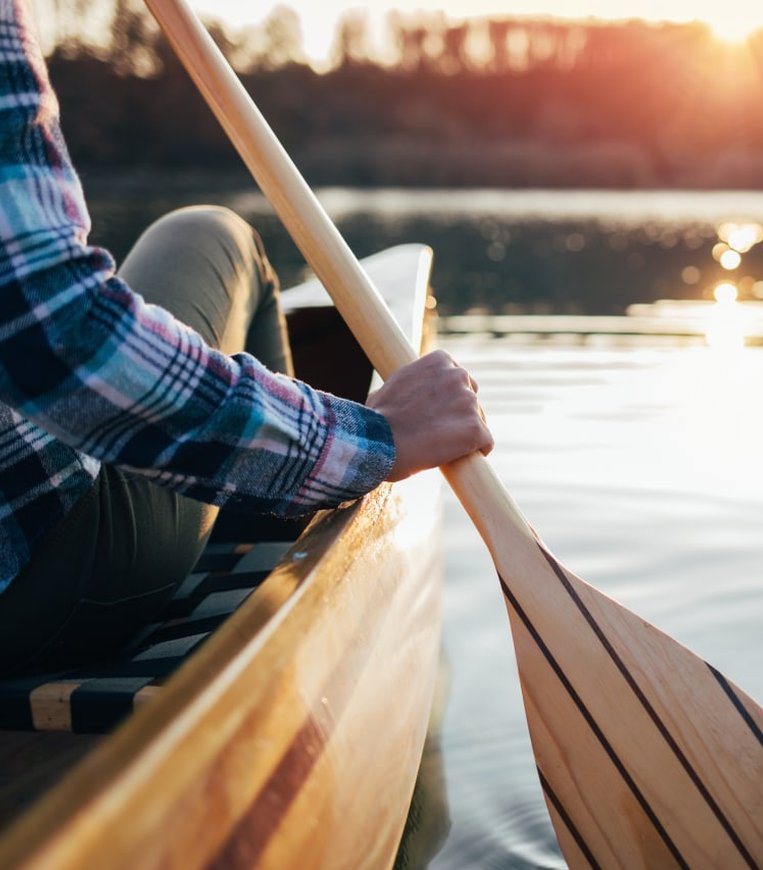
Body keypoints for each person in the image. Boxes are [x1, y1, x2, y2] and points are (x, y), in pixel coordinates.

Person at [0, 0, 492, 675]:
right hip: (36, 571)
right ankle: (280, 533)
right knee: (208, 234)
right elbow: (54, 334)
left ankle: (268, 487)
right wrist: (365, 443)